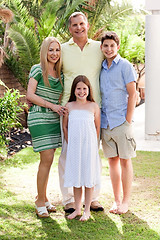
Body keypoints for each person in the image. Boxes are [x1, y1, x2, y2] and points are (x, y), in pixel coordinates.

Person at [58, 11, 104, 213]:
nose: (79, 27)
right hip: (70, 110)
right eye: (74, 25)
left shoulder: (99, 48)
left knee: (93, 155)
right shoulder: (63, 49)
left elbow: (113, 62)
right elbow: (50, 70)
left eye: (82, 23)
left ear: (87, 25)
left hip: (92, 110)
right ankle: (68, 199)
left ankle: (92, 198)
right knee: (67, 154)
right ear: (70, 28)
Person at [26, 37, 67, 218]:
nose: (54, 53)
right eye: (51, 50)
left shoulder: (61, 74)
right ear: (45, 51)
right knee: (47, 158)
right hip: (39, 117)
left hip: (54, 119)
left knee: (48, 161)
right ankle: (39, 202)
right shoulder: (37, 69)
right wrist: (52, 106)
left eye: (57, 50)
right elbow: (29, 95)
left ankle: (42, 197)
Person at [100, 31, 137, 214]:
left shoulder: (125, 66)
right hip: (105, 124)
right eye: (105, 46)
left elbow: (133, 94)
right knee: (112, 162)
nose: (108, 49)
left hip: (121, 122)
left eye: (112, 45)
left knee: (125, 161)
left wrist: (128, 120)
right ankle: (116, 200)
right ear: (101, 47)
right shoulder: (100, 68)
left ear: (118, 47)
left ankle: (126, 201)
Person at [63, 75, 101, 221]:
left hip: (89, 147)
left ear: (88, 90)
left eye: (84, 88)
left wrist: (94, 144)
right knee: (77, 177)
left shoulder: (93, 106)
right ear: (74, 90)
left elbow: (97, 127)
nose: (81, 91)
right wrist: (70, 142)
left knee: (88, 177)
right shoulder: (69, 106)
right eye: (78, 88)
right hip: (74, 147)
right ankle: (77, 209)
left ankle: (87, 210)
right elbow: (65, 126)